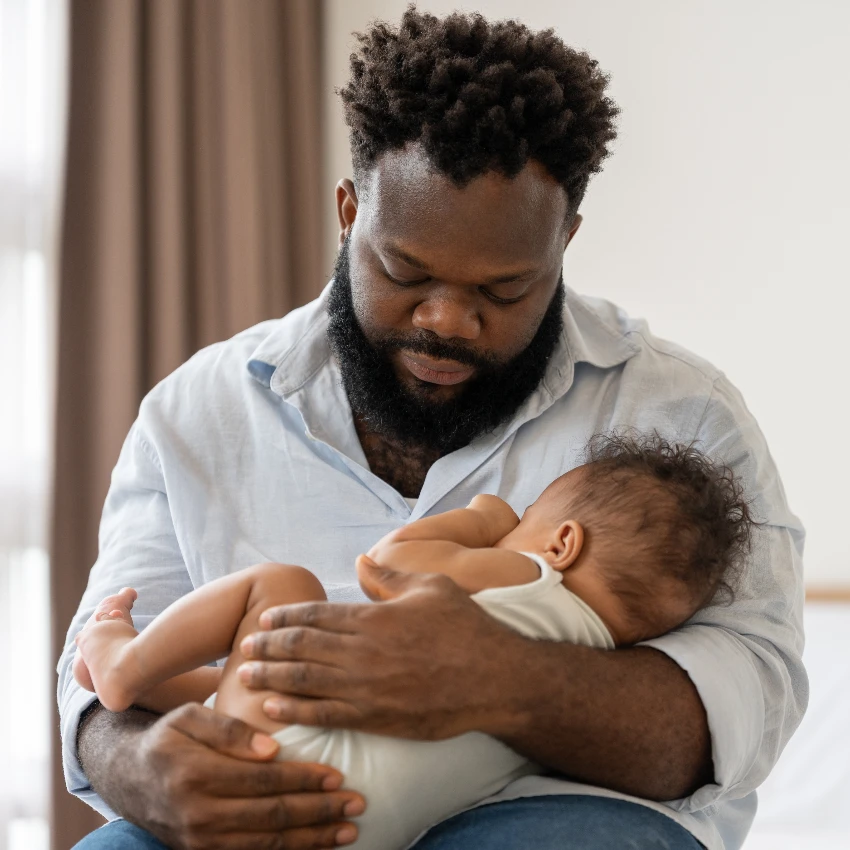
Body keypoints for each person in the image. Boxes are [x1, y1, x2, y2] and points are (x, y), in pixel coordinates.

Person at [59, 8, 806, 850]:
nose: (447, 320)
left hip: (552, 815)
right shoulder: (198, 410)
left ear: (566, 240)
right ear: (349, 211)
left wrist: (508, 683)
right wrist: (144, 773)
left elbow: (748, 697)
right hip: (274, 793)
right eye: (404, 270)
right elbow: (98, 676)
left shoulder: (684, 415)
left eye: (502, 290)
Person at [72, 434, 753, 850]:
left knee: (283, 589)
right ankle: (146, 684)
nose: (512, 521)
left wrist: (482, 522)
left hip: (274, 772)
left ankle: (123, 665)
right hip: (349, 828)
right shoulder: (596, 661)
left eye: (531, 514)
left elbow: (385, 565)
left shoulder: (532, 574)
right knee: (280, 671)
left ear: (563, 541)